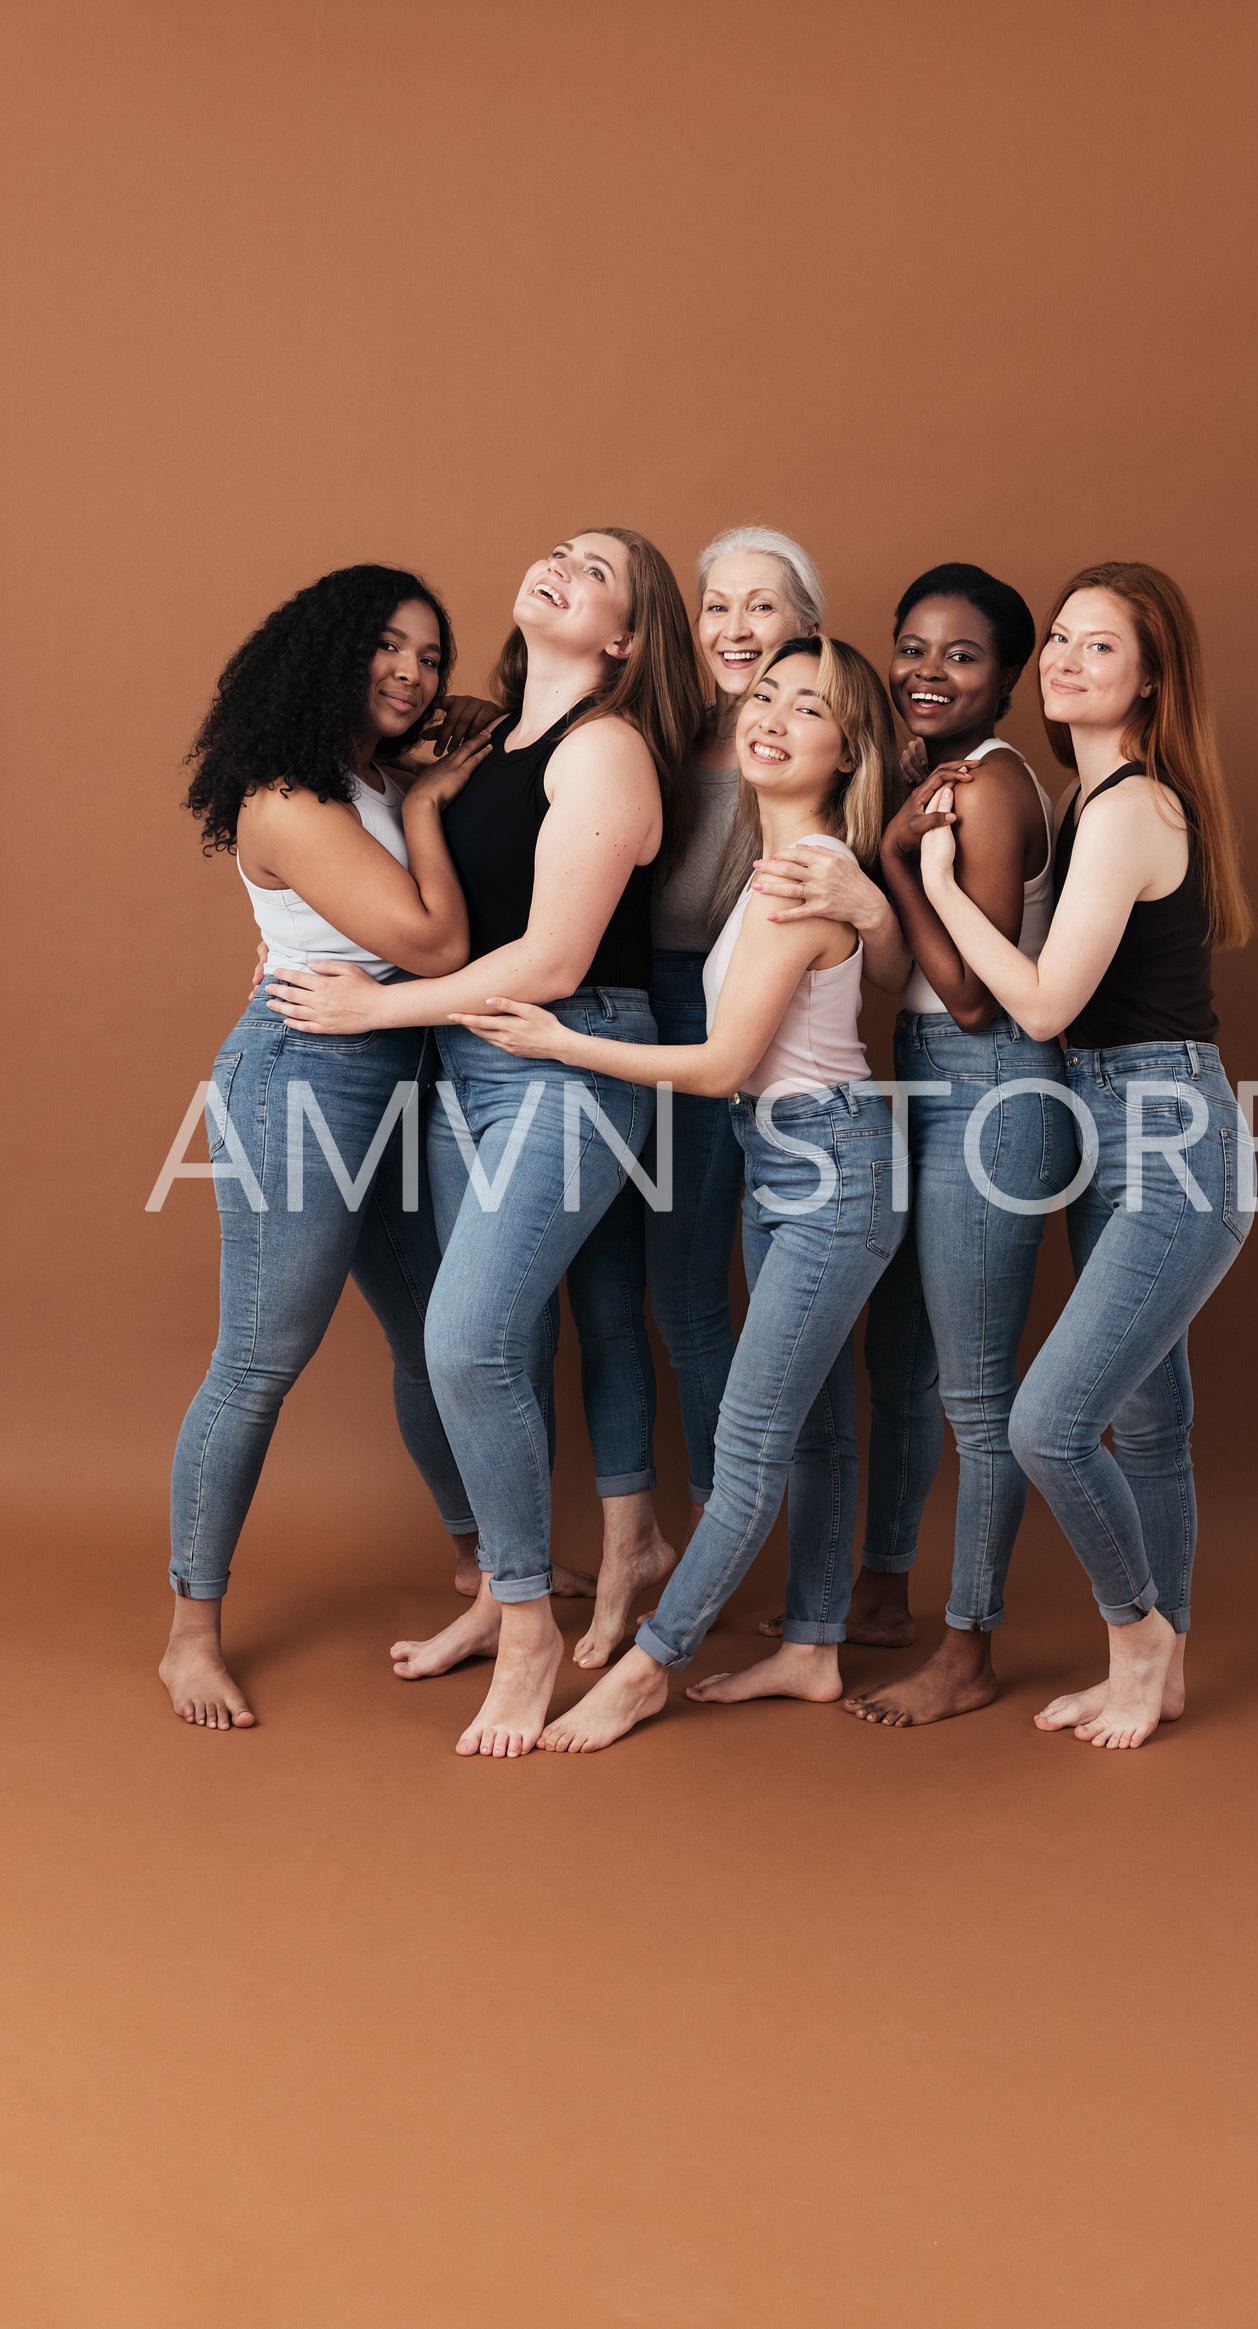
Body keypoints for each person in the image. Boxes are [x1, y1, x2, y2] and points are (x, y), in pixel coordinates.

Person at [264, 530, 703, 1758]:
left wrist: (365, 1008)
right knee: (494, 1341)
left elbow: (555, 960)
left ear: (622, 639)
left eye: (599, 569)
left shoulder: (606, 748)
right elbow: (413, 903)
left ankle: (524, 1627)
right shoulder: (483, 742)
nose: (562, 562)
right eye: (560, 547)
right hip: (471, 1065)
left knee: (462, 1340)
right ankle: (525, 1593)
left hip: (568, 1058)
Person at [456, 636, 905, 1752]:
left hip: (827, 1171)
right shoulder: (781, 865)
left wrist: (564, 1041)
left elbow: (713, 1068)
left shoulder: (801, 881)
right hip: (785, 1160)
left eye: (808, 709)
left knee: (751, 1443)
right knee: (798, 1429)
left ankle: (650, 1668)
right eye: (763, 696)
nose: (771, 717)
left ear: (847, 750)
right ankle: (808, 1644)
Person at [915, 560, 1255, 1748]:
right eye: (1057, 637)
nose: (1061, 658)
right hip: (1113, 1128)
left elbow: (1046, 1005)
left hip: (1165, 1138)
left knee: (1046, 1422)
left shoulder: (1126, 809)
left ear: (1150, 680)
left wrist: (937, 885)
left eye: (1096, 646)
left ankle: (1138, 1634)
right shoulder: (1097, 799)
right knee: (1149, 1423)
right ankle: (1159, 1677)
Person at [163, 565, 492, 1731]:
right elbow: (437, 940)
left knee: (430, 1336)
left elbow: (501, 735)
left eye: (430, 657)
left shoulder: (364, 773)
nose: (411, 672)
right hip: (301, 1083)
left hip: (396, 1072)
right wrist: (426, 806)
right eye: (386, 649)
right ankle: (190, 1635)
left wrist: (440, 752)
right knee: (257, 1360)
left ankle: (477, 1556)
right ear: (328, 655)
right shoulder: (289, 796)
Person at [838, 563, 1075, 1727]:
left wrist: (891, 864)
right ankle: (883, 1587)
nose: (927, 673)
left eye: (961, 655)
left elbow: (976, 997)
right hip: (931, 1078)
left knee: (975, 1393)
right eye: (911, 646)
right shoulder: (940, 776)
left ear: (1007, 677)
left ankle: (967, 1646)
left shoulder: (983, 788)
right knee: (902, 1359)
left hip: (989, 1082)